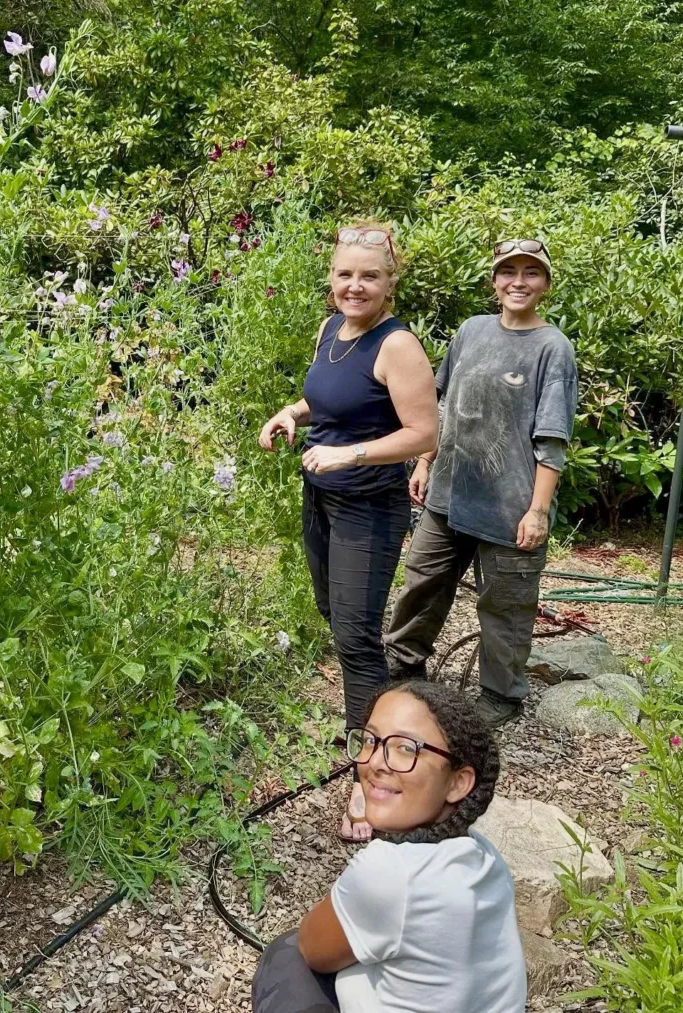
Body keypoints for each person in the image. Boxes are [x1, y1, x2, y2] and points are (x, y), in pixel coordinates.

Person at [259, 223, 438, 841]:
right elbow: (330, 401)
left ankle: (373, 783)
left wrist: (350, 456)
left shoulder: (399, 346)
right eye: (345, 274)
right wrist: (292, 413)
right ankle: (378, 713)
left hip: (369, 505)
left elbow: (423, 435)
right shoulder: (331, 330)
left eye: (369, 276)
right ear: (332, 279)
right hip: (322, 499)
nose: (354, 286)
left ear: (391, 284)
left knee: (358, 639)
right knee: (336, 621)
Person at [383, 238, 578, 728]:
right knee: (422, 582)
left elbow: (551, 438)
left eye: (530, 273)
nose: (518, 281)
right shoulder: (472, 331)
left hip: (511, 507)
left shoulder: (552, 348)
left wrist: (537, 511)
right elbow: (440, 404)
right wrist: (425, 461)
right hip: (449, 493)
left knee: (506, 606)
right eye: (508, 272)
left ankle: (500, 696)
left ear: (545, 284)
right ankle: (403, 668)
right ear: (493, 282)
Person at [252, 681, 526, 1013]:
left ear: (457, 782)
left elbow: (313, 949)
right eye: (370, 740)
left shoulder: (391, 871)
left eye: (406, 748)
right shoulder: (485, 856)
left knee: (286, 956)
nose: (376, 763)